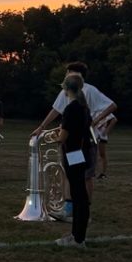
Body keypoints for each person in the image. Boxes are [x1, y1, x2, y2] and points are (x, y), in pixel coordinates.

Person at [55, 73, 94, 249]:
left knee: (78, 196)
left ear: (65, 88)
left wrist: (56, 137)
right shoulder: (84, 107)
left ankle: (78, 238)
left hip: (73, 154)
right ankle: (77, 236)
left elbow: (63, 136)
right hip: (83, 153)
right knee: (81, 196)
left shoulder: (71, 108)